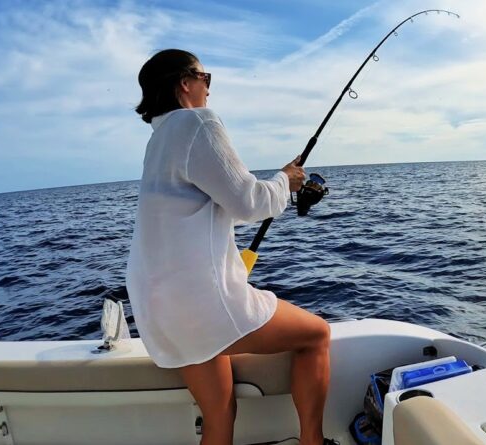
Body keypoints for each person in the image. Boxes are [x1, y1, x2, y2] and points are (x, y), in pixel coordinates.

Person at [126, 49, 336, 445]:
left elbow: (218, 206)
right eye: (205, 78)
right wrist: (283, 181)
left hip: (159, 310)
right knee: (316, 335)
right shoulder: (198, 122)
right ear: (185, 83)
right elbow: (249, 203)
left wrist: (276, 185)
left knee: (220, 415)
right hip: (201, 303)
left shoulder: (159, 141)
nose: (208, 89)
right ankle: (313, 442)